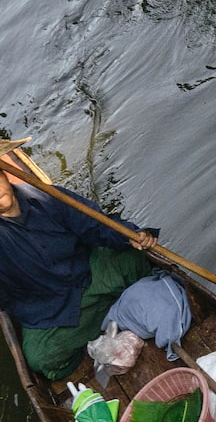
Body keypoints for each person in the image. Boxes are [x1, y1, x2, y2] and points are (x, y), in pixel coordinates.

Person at [0, 138, 160, 380]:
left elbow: (95, 224)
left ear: (5, 174)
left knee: (135, 259)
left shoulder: (47, 198)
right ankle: (117, 312)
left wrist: (132, 236)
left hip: (88, 272)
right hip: (50, 309)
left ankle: (111, 313)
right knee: (42, 362)